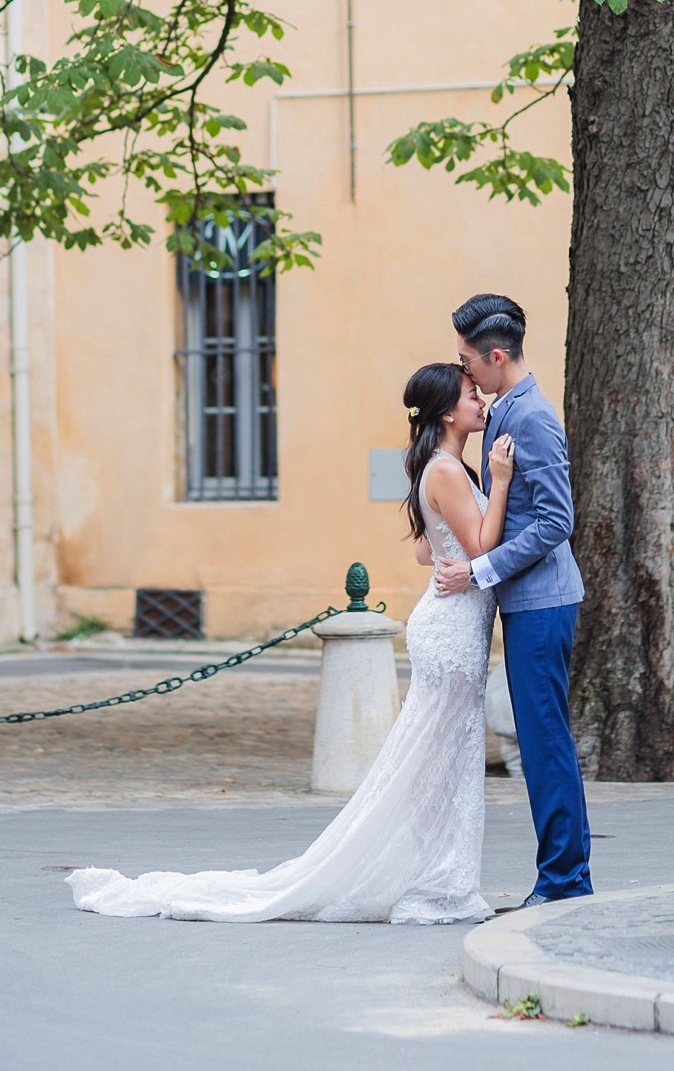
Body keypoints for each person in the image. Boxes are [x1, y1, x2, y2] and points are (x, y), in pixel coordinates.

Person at [66, 363, 515, 925]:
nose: (482, 401)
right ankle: (438, 883)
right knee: (437, 763)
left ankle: (438, 878)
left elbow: (428, 554)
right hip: (451, 633)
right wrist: (498, 483)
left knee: (436, 763)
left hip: (448, 622)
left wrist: (462, 541)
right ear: (448, 411)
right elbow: (478, 546)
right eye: (472, 394)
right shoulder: (449, 472)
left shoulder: (439, 467)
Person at [432, 293, 592, 905]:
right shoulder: (504, 410)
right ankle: (565, 877)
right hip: (525, 604)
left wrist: (480, 571)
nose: (464, 372)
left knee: (545, 740)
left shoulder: (533, 418)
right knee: (542, 737)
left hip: (544, 604)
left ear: (497, 356)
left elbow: (557, 521)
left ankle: (565, 880)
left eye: (469, 361)